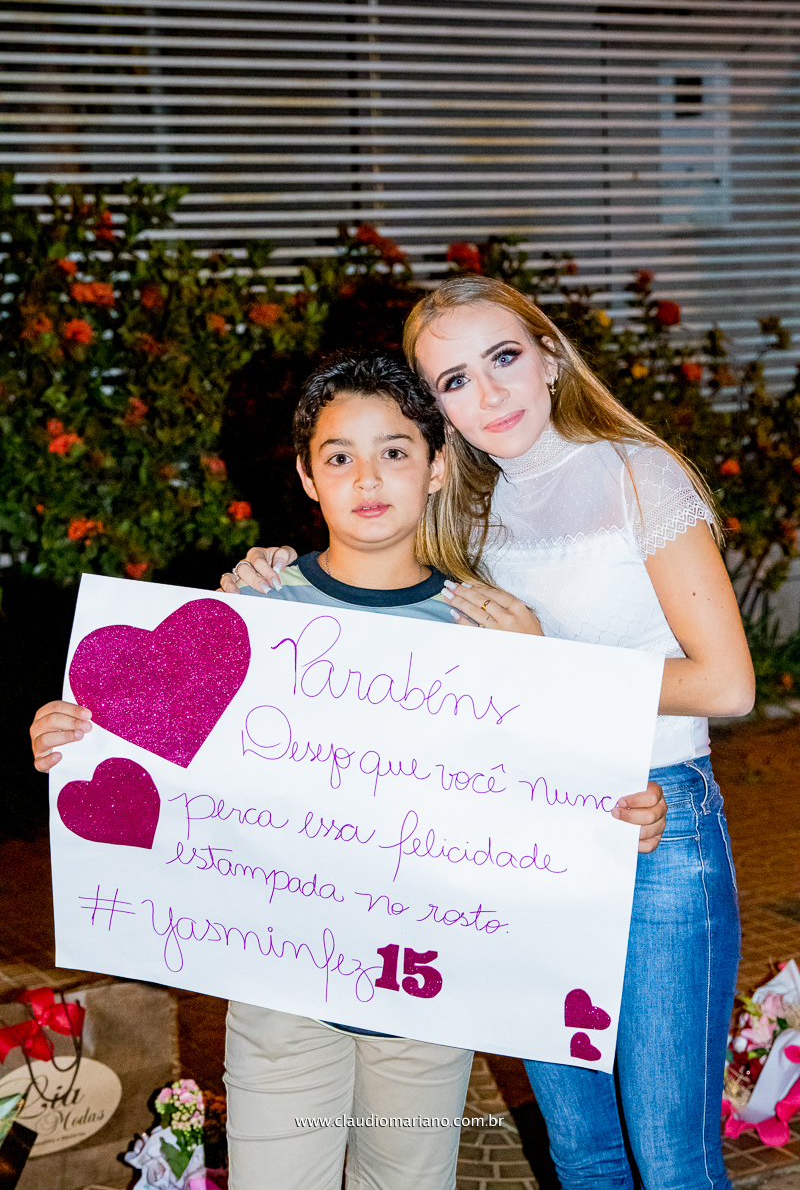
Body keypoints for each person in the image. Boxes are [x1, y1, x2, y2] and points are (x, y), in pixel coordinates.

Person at [31, 350, 666, 1190]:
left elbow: (544, 787)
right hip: (280, 992)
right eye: (339, 456)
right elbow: (170, 769)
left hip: (429, 996)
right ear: (306, 476)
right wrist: (74, 736)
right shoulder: (251, 615)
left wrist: (619, 816)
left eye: (395, 451)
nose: (367, 477)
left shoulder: (492, 628)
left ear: (437, 466)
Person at [223, 279, 754, 1190]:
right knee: (582, 1151)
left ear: (549, 356)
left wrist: (549, 665)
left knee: (671, 1159)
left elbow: (728, 684)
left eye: (503, 358)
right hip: (534, 837)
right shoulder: (465, 510)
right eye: (455, 381)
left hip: (656, 828)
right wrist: (265, 581)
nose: (491, 393)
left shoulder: (636, 474)